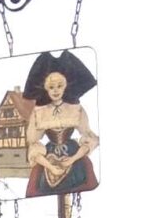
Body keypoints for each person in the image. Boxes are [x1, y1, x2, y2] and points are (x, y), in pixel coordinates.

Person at [17, 47, 99, 200]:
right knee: (39, 180)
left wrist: (73, 159)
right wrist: (49, 166)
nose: (55, 91)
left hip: (74, 154)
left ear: (65, 86)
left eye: (59, 86)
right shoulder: (40, 112)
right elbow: (34, 143)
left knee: (84, 171)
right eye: (51, 87)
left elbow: (88, 136)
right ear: (46, 89)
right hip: (49, 156)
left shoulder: (75, 109)